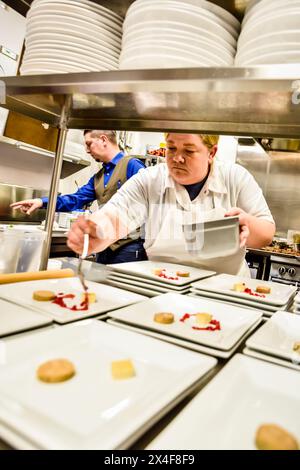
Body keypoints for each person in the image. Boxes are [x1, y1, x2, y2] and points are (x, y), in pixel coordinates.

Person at [67, 133, 275, 276]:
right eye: (172, 148)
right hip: (164, 286)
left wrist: (247, 224)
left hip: (225, 290)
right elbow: (117, 215)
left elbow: (266, 232)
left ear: (211, 153)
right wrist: (95, 233)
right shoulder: (149, 179)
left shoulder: (235, 177)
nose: (177, 158)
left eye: (189, 151)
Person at [10, 130, 147, 264]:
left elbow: (149, 203)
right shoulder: (98, 177)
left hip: (129, 248)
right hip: (103, 247)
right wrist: (41, 201)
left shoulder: (132, 165)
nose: (87, 150)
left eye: (89, 144)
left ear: (104, 140)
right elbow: (75, 199)